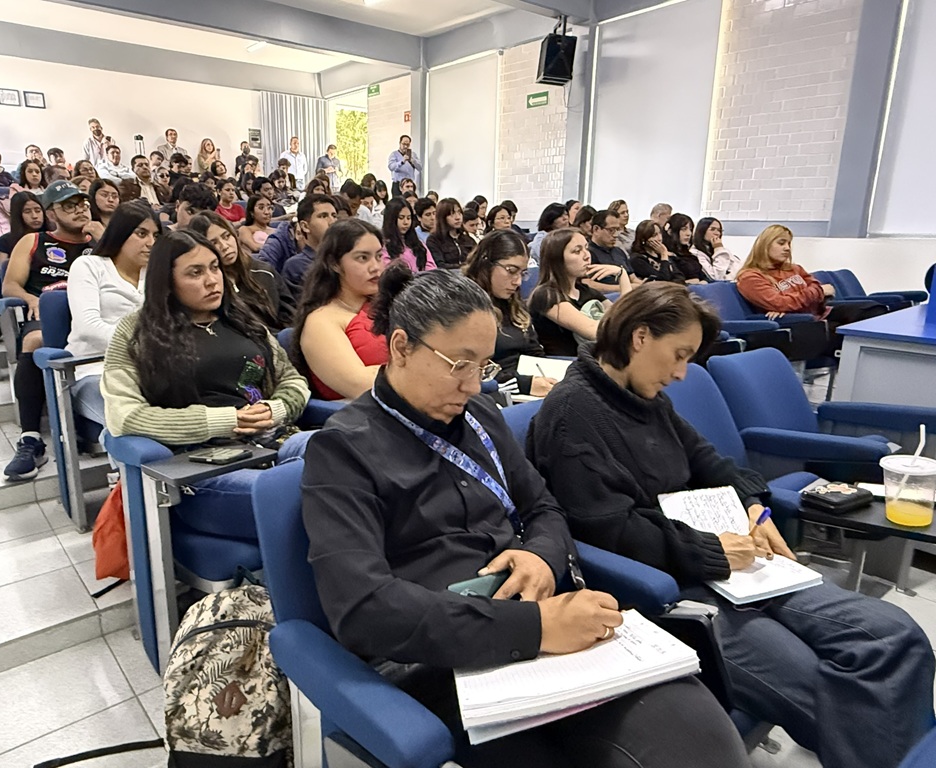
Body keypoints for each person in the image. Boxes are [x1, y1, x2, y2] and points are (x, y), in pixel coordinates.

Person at [301, 267, 752, 768]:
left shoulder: (481, 418)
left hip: (544, 627)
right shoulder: (343, 450)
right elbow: (363, 607)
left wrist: (540, 553)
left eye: (484, 367)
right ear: (402, 346)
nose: (474, 385)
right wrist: (533, 627)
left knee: (698, 737)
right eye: (459, 364)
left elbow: (545, 508)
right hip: (442, 658)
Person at [528, 282, 936, 768]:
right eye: (678, 355)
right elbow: (607, 531)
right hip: (670, 584)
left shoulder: (647, 398)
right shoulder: (573, 415)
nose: (682, 373)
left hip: (726, 562)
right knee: (818, 682)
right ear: (639, 337)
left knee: (893, 633)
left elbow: (707, 459)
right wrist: (712, 552)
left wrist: (755, 507)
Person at [101, 229, 309, 455]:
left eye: (214, 267)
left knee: (332, 450)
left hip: (272, 437)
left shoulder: (241, 319)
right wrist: (225, 420)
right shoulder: (136, 331)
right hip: (200, 456)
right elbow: (124, 416)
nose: (212, 281)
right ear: (167, 282)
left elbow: (292, 379)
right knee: (304, 469)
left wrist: (274, 409)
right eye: (195, 273)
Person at [2, 181, 100, 480]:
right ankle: (31, 437)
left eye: (82, 204)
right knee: (35, 340)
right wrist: (32, 298)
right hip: (49, 313)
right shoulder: (34, 241)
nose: (79, 210)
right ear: (51, 211)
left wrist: (105, 239)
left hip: (95, 313)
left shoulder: (101, 243)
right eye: (69, 205)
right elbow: (10, 284)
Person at [65, 201, 157, 427]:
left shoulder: (155, 274)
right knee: (135, 422)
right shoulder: (89, 266)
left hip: (150, 368)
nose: (151, 242)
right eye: (141, 233)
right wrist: (143, 346)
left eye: (155, 235)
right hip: (95, 368)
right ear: (120, 233)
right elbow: (88, 327)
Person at [736, 225, 885, 352]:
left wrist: (792, 302)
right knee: (852, 335)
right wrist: (817, 293)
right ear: (765, 245)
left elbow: (812, 286)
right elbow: (781, 303)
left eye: (789, 243)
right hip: (798, 325)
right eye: (781, 243)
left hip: (820, 312)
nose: (787, 248)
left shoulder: (794, 268)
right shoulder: (750, 277)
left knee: (873, 310)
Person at [292, 218, 388, 400]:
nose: (376, 267)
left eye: (378, 256)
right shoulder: (321, 322)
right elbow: (361, 386)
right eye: (363, 258)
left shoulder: (388, 304)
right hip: (365, 419)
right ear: (334, 263)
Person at [463, 229, 556, 398]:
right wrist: (525, 384)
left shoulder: (511, 302)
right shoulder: (466, 305)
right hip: (496, 393)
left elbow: (534, 351)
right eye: (511, 270)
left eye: (522, 273)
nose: (518, 281)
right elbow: (473, 370)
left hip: (528, 388)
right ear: (486, 264)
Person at [529, 228, 630, 356]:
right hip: (564, 364)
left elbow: (625, 316)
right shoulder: (546, 295)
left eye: (586, 248)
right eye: (577, 251)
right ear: (557, 259)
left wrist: (622, 275)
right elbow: (594, 331)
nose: (587, 256)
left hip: (593, 359)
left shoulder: (586, 291)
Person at [188, 211, 295, 331]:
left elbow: (289, 315)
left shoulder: (264, 271)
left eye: (226, 236)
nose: (224, 246)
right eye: (214, 243)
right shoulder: (211, 288)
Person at [281, 194, 338, 294]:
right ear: (305, 226)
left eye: (334, 216)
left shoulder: (344, 258)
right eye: (323, 216)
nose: (332, 221)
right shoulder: (296, 266)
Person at [581, 208, 640, 293]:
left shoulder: (619, 251)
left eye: (617, 230)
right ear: (596, 229)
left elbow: (633, 278)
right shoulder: (587, 254)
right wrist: (624, 287)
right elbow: (587, 283)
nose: (616, 235)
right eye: (611, 230)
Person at [381, 198, 435, 273]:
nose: (406, 222)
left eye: (409, 218)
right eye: (401, 218)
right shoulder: (383, 245)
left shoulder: (418, 244)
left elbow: (431, 268)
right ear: (391, 219)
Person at [0, 191, 46, 268]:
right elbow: (4, 270)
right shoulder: (6, 241)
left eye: (38, 210)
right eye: (27, 212)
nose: (34, 216)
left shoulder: (52, 235)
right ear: (18, 215)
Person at [427, 198, 475, 270]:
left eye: (459, 212)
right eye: (452, 214)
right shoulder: (434, 240)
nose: (457, 217)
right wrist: (464, 267)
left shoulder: (468, 239)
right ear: (442, 217)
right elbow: (440, 265)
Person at [663, 213, 708, 284]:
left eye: (690, 229)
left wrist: (703, 281)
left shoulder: (690, 256)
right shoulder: (666, 255)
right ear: (670, 232)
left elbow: (703, 276)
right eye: (684, 229)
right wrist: (690, 282)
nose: (689, 233)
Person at [692, 217, 740, 281]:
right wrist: (719, 249)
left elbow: (738, 268)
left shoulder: (721, 249)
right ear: (702, 231)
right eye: (712, 229)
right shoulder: (695, 253)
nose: (717, 233)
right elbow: (716, 277)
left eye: (719, 230)